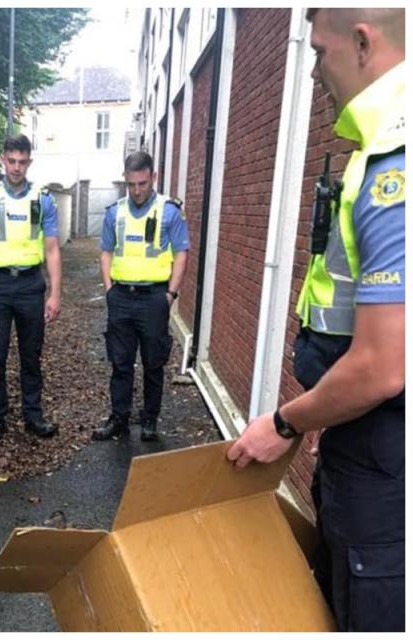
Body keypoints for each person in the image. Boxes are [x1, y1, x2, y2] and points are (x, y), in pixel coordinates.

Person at [226, 8, 404, 632]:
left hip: (386, 462)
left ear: (362, 43)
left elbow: (384, 366)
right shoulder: (373, 154)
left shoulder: (394, 166)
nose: (311, 73)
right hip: (363, 443)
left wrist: (282, 424)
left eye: (319, 52)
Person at [0, 134, 62, 444]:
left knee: (30, 354)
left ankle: (33, 416)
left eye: (22, 161)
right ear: (2, 160)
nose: (16, 167)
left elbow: (52, 249)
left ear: (29, 162)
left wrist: (55, 293)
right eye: (11, 161)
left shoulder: (43, 199)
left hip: (30, 285)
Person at [92, 151, 189, 442]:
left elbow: (181, 253)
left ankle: (149, 420)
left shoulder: (170, 211)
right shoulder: (115, 212)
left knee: (153, 363)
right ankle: (119, 419)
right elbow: (106, 251)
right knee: (120, 363)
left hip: (154, 298)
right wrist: (109, 289)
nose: (136, 190)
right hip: (121, 296)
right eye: (131, 184)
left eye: (142, 183)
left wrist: (171, 294)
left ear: (153, 178)